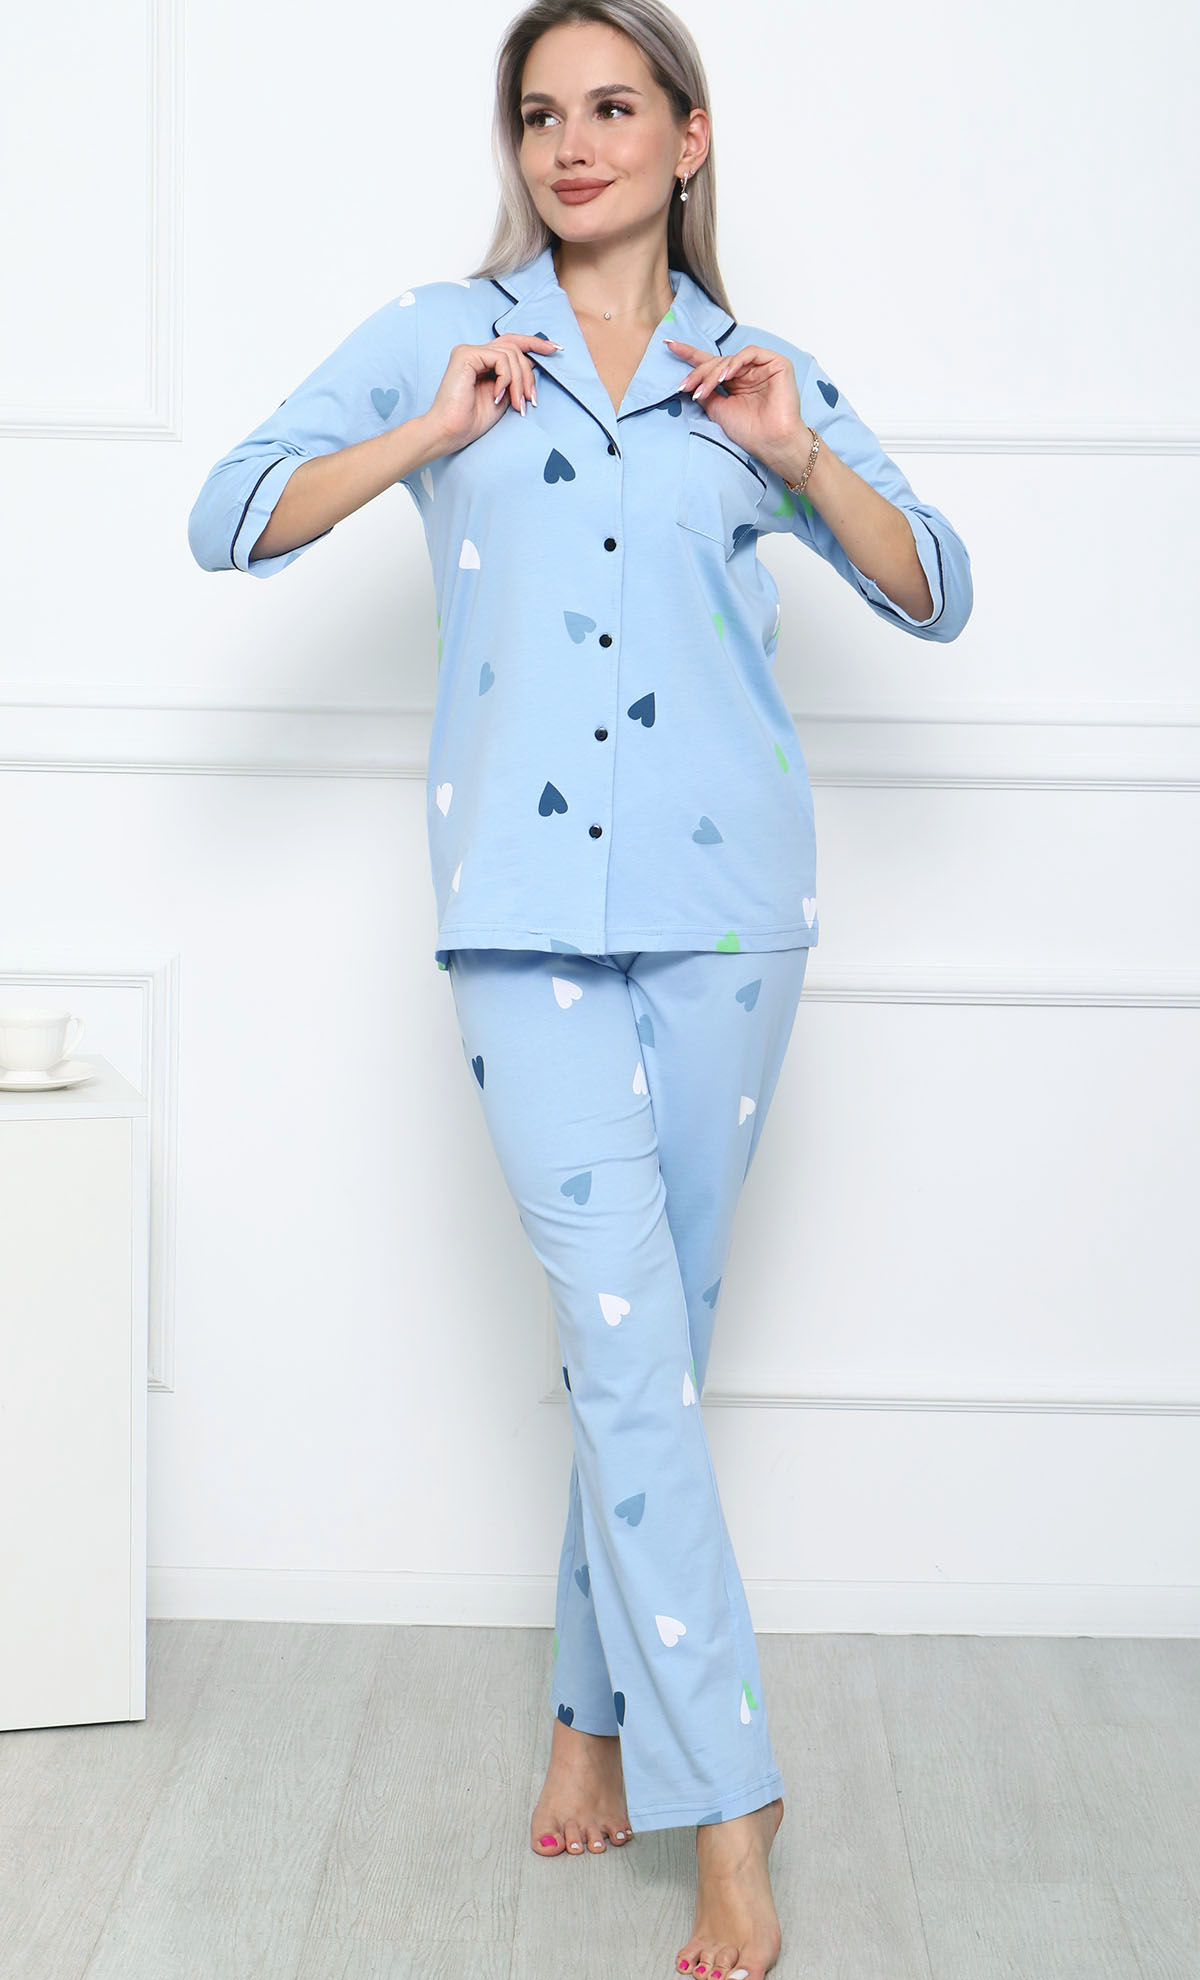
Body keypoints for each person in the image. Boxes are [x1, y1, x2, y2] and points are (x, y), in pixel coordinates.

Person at [188, 4, 972, 1972]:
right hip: (522, 917)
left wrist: (799, 456)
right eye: (541, 114)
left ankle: (586, 1713)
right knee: (628, 1355)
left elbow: (932, 586)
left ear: (690, 138)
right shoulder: (446, 338)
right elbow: (230, 515)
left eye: (614, 107)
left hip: (731, 917)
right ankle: (736, 1803)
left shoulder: (749, 376)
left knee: (650, 1355)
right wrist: (431, 437)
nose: (573, 143)